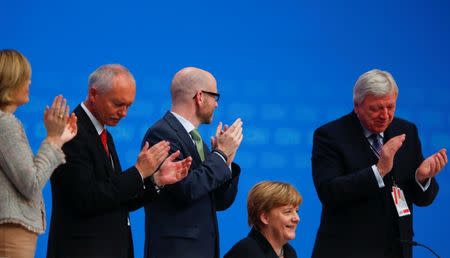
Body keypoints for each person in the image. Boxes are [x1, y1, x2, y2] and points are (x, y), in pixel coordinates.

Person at [46, 64, 192, 258]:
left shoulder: (104, 134)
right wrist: (139, 172)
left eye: (128, 106)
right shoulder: (71, 132)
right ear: (93, 94)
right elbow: (86, 199)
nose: (124, 113)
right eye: (118, 104)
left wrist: (155, 180)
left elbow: (117, 198)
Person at [311, 69, 448, 258]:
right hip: (348, 249)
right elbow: (329, 192)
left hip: (396, 248)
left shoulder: (406, 130)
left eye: (390, 107)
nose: (385, 115)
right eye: (376, 108)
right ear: (357, 106)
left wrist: (422, 178)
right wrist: (379, 170)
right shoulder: (330, 136)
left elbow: (422, 199)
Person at [141, 67, 243, 258]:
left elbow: (220, 202)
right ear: (200, 96)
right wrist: (219, 155)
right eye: (215, 97)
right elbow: (185, 190)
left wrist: (226, 160)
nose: (216, 105)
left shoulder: (198, 142)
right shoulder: (162, 134)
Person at [0, 49, 77, 258]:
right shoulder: (5, 124)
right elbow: (31, 183)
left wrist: (58, 139)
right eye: (25, 77)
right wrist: (52, 139)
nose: (30, 83)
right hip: (10, 234)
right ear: (11, 81)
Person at [224, 181, 302, 258]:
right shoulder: (246, 252)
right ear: (265, 218)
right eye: (288, 212)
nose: (297, 218)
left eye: (296, 211)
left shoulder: (289, 252)